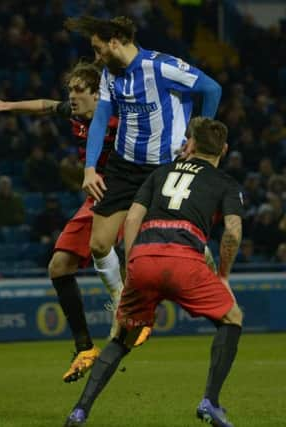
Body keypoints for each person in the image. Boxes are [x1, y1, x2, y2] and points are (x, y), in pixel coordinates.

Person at [64, 118, 243, 427]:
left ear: (193, 144)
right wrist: (223, 274)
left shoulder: (161, 173)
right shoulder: (224, 182)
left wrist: (132, 263)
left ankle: (79, 411)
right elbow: (233, 231)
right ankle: (210, 401)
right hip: (185, 258)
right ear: (223, 150)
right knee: (232, 318)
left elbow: (132, 219)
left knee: (123, 337)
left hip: (144, 257)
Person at [66, 14, 221, 343]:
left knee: (149, 247)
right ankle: (122, 304)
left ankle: (196, 259)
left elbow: (212, 88)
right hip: (124, 167)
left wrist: (198, 138)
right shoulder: (110, 74)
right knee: (99, 244)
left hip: (163, 168)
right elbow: (101, 120)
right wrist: (90, 168)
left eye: (97, 49)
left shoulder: (161, 67)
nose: (95, 57)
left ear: (114, 42)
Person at [0, 61, 120, 382]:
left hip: (131, 193)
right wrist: (6, 105)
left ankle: (131, 307)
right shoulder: (77, 114)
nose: (72, 96)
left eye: (79, 90)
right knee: (59, 266)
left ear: (99, 94)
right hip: (98, 197)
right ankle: (85, 348)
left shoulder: (121, 116)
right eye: (70, 90)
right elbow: (44, 105)